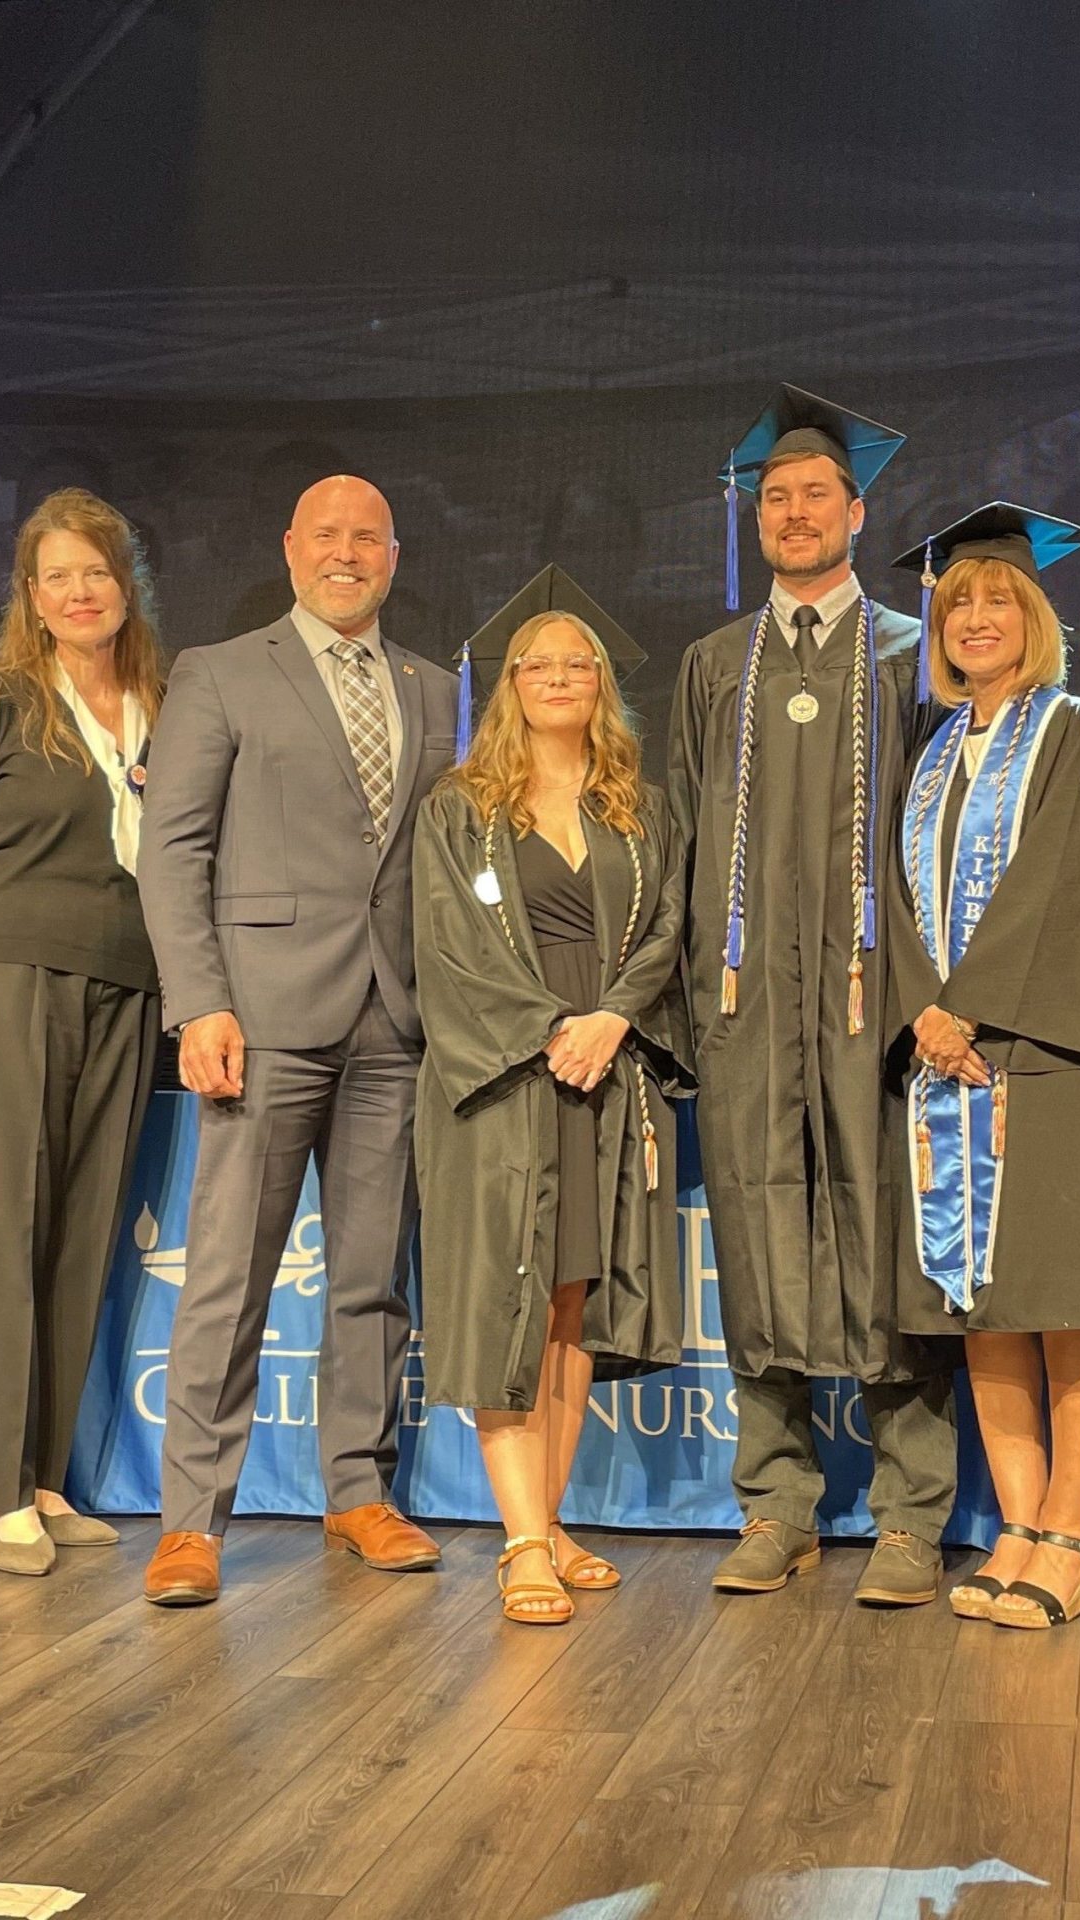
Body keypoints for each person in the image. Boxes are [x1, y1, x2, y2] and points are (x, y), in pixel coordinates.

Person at [135, 474, 459, 1606]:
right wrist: (198, 1003)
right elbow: (171, 851)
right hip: (260, 1019)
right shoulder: (218, 673)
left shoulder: (435, 689)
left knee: (371, 1280)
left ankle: (359, 1492)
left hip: (396, 1020)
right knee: (227, 1275)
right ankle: (191, 1521)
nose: (347, 553)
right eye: (327, 534)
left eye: (367, 536)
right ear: (289, 550)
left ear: (393, 554)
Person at [669, 385, 955, 1608]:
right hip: (745, 1008)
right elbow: (683, 837)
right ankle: (776, 1502)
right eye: (771, 498)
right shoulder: (709, 665)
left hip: (875, 1009)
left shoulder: (914, 650)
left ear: (856, 508)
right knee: (756, 1229)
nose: (792, 513)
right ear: (753, 517)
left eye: (813, 495)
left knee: (887, 1240)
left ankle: (907, 1516)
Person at [413, 569, 692, 1625]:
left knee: (573, 1303)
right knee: (509, 1306)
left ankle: (552, 1519)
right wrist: (548, 1031)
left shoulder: (642, 810)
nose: (561, 677)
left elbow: (667, 929)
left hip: (608, 1070)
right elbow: (448, 946)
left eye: (580, 663)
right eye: (540, 663)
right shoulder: (459, 811)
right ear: (510, 684)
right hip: (507, 1080)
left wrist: (614, 1018)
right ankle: (520, 1541)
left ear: (602, 684)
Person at [881, 504, 1080, 1631]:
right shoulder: (932, 753)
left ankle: (1075, 1539)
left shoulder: (1075, 730)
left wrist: (967, 1008)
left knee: (1067, 1305)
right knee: (982, 1305)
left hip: (1044, 1054)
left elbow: (1063, 881)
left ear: (1034, 616)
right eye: (956, 604)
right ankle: (1019, 1527)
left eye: (997, 600)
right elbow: (892, 907)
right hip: (948, 1061)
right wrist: (924, 1018)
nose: (976, 619)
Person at [0, 489, 166, 1576]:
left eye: (95, 573)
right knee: (1, 1239)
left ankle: (50, 1474)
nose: (77, 592)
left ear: (127, 586)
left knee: (84, 1239)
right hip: (4, 982)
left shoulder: (168, 697)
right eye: (55, 576)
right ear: (30, 596)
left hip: (129, 986)